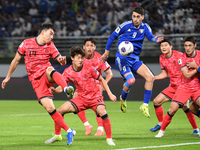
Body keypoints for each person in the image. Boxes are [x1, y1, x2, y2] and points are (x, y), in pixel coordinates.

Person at [1, 23, 75, 145]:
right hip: (36, 81)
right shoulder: (26, 43)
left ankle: (66, 88)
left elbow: (59, 60)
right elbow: (15, 60)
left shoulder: (50, 45)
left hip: (46, 74)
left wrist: (62, 61)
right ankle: (69, 130)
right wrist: (8, 76)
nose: (52, 37)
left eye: (53, 35)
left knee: (50, 69)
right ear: (42, 32)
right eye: (50, 33)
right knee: (50, 108)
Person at [45, 46, 117, 146]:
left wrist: (110, 94)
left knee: (103, 112)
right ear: (72, 58)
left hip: (95, 97)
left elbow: (102, 80)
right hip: (81, 99)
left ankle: (109, 139)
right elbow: (61, 87)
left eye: (82, 58)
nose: (80, 60)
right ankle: (57, 135)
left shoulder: (89, 68)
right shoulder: (68, 72)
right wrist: (55, 90)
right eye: (78, 58)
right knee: (59, 111)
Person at [100, 6, 163, 117]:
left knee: (150, 77)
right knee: (131, 81)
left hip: (135, 59)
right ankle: (123, 99)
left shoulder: (145, 27)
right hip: (122, 59)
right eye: (134, 16)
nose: (135, 19)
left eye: (138, 17)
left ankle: (145, 105)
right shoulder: (125, 25)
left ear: (142, 17)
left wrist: (155, 39)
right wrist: (106, 53)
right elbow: (112, 37)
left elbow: (150, 37)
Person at [150, 39, 199, 135]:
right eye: (161, 46)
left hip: (183, 86)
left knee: (185, 107)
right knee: (156, 101)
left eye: (165, 45)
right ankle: (160, 123)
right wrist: (154, 77)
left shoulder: (180, 55)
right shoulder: (162, 58)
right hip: (172, 86)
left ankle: (196, 129)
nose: (163, 47)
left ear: (171, 46)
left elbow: (188, 71)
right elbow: (164, 74)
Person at [74, 37, 113, 136]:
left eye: (92, 46)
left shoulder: (100, 58)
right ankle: (87, 125)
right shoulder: (80, 57)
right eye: (87, 45)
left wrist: (103, 86)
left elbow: (110, 74)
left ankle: (100, 129)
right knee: (75, 101)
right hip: (82, 87)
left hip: (95, 87)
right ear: (84, 47)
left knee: (98, 108)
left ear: (95, 47)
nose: (89, 48)